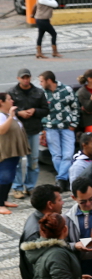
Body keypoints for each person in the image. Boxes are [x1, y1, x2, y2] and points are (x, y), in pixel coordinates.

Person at [10, 67, 47, 200]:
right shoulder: (12, 92)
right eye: (23, 77)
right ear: (18, 78)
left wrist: (34, 111)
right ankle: (17, 187)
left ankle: (31, 186)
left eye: (27, 77)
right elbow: (6, 110)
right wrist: (19, 113)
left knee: (33, 161)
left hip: (34, 130)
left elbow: (46, 110)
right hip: (18, 132)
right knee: (18, 161)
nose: (25, 80)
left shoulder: (38, 92)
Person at [38, 70, 77, 191]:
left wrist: (74, 123)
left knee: (68, 155)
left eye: (42, 81)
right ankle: (64, 179)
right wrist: (42, 128)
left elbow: (75, 107)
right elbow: (40, 111)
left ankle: (61, 179)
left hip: (67, 127)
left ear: (49, 80)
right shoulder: (41, 93)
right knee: (56, 155)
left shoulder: (66, 90)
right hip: (50, 128)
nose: (40, 84)